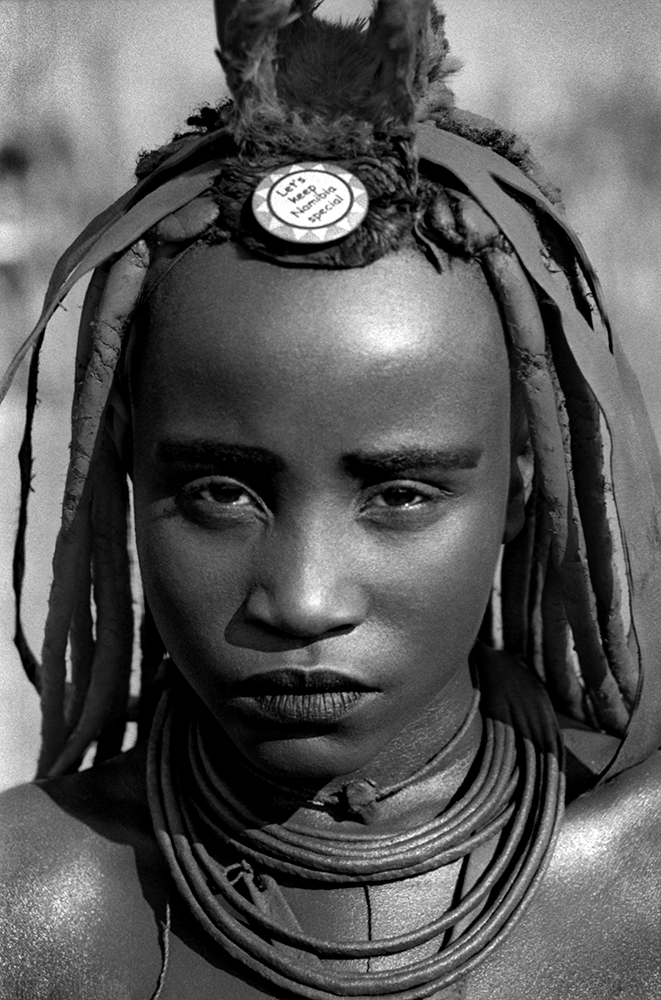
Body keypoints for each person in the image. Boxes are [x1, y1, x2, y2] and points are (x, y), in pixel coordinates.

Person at [1, 1, 661, 997]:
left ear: (522, 491)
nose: (303, 601)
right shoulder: (25, 913)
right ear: (129, 475)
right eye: (221, 491)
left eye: (398, 493)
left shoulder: (642, 888)